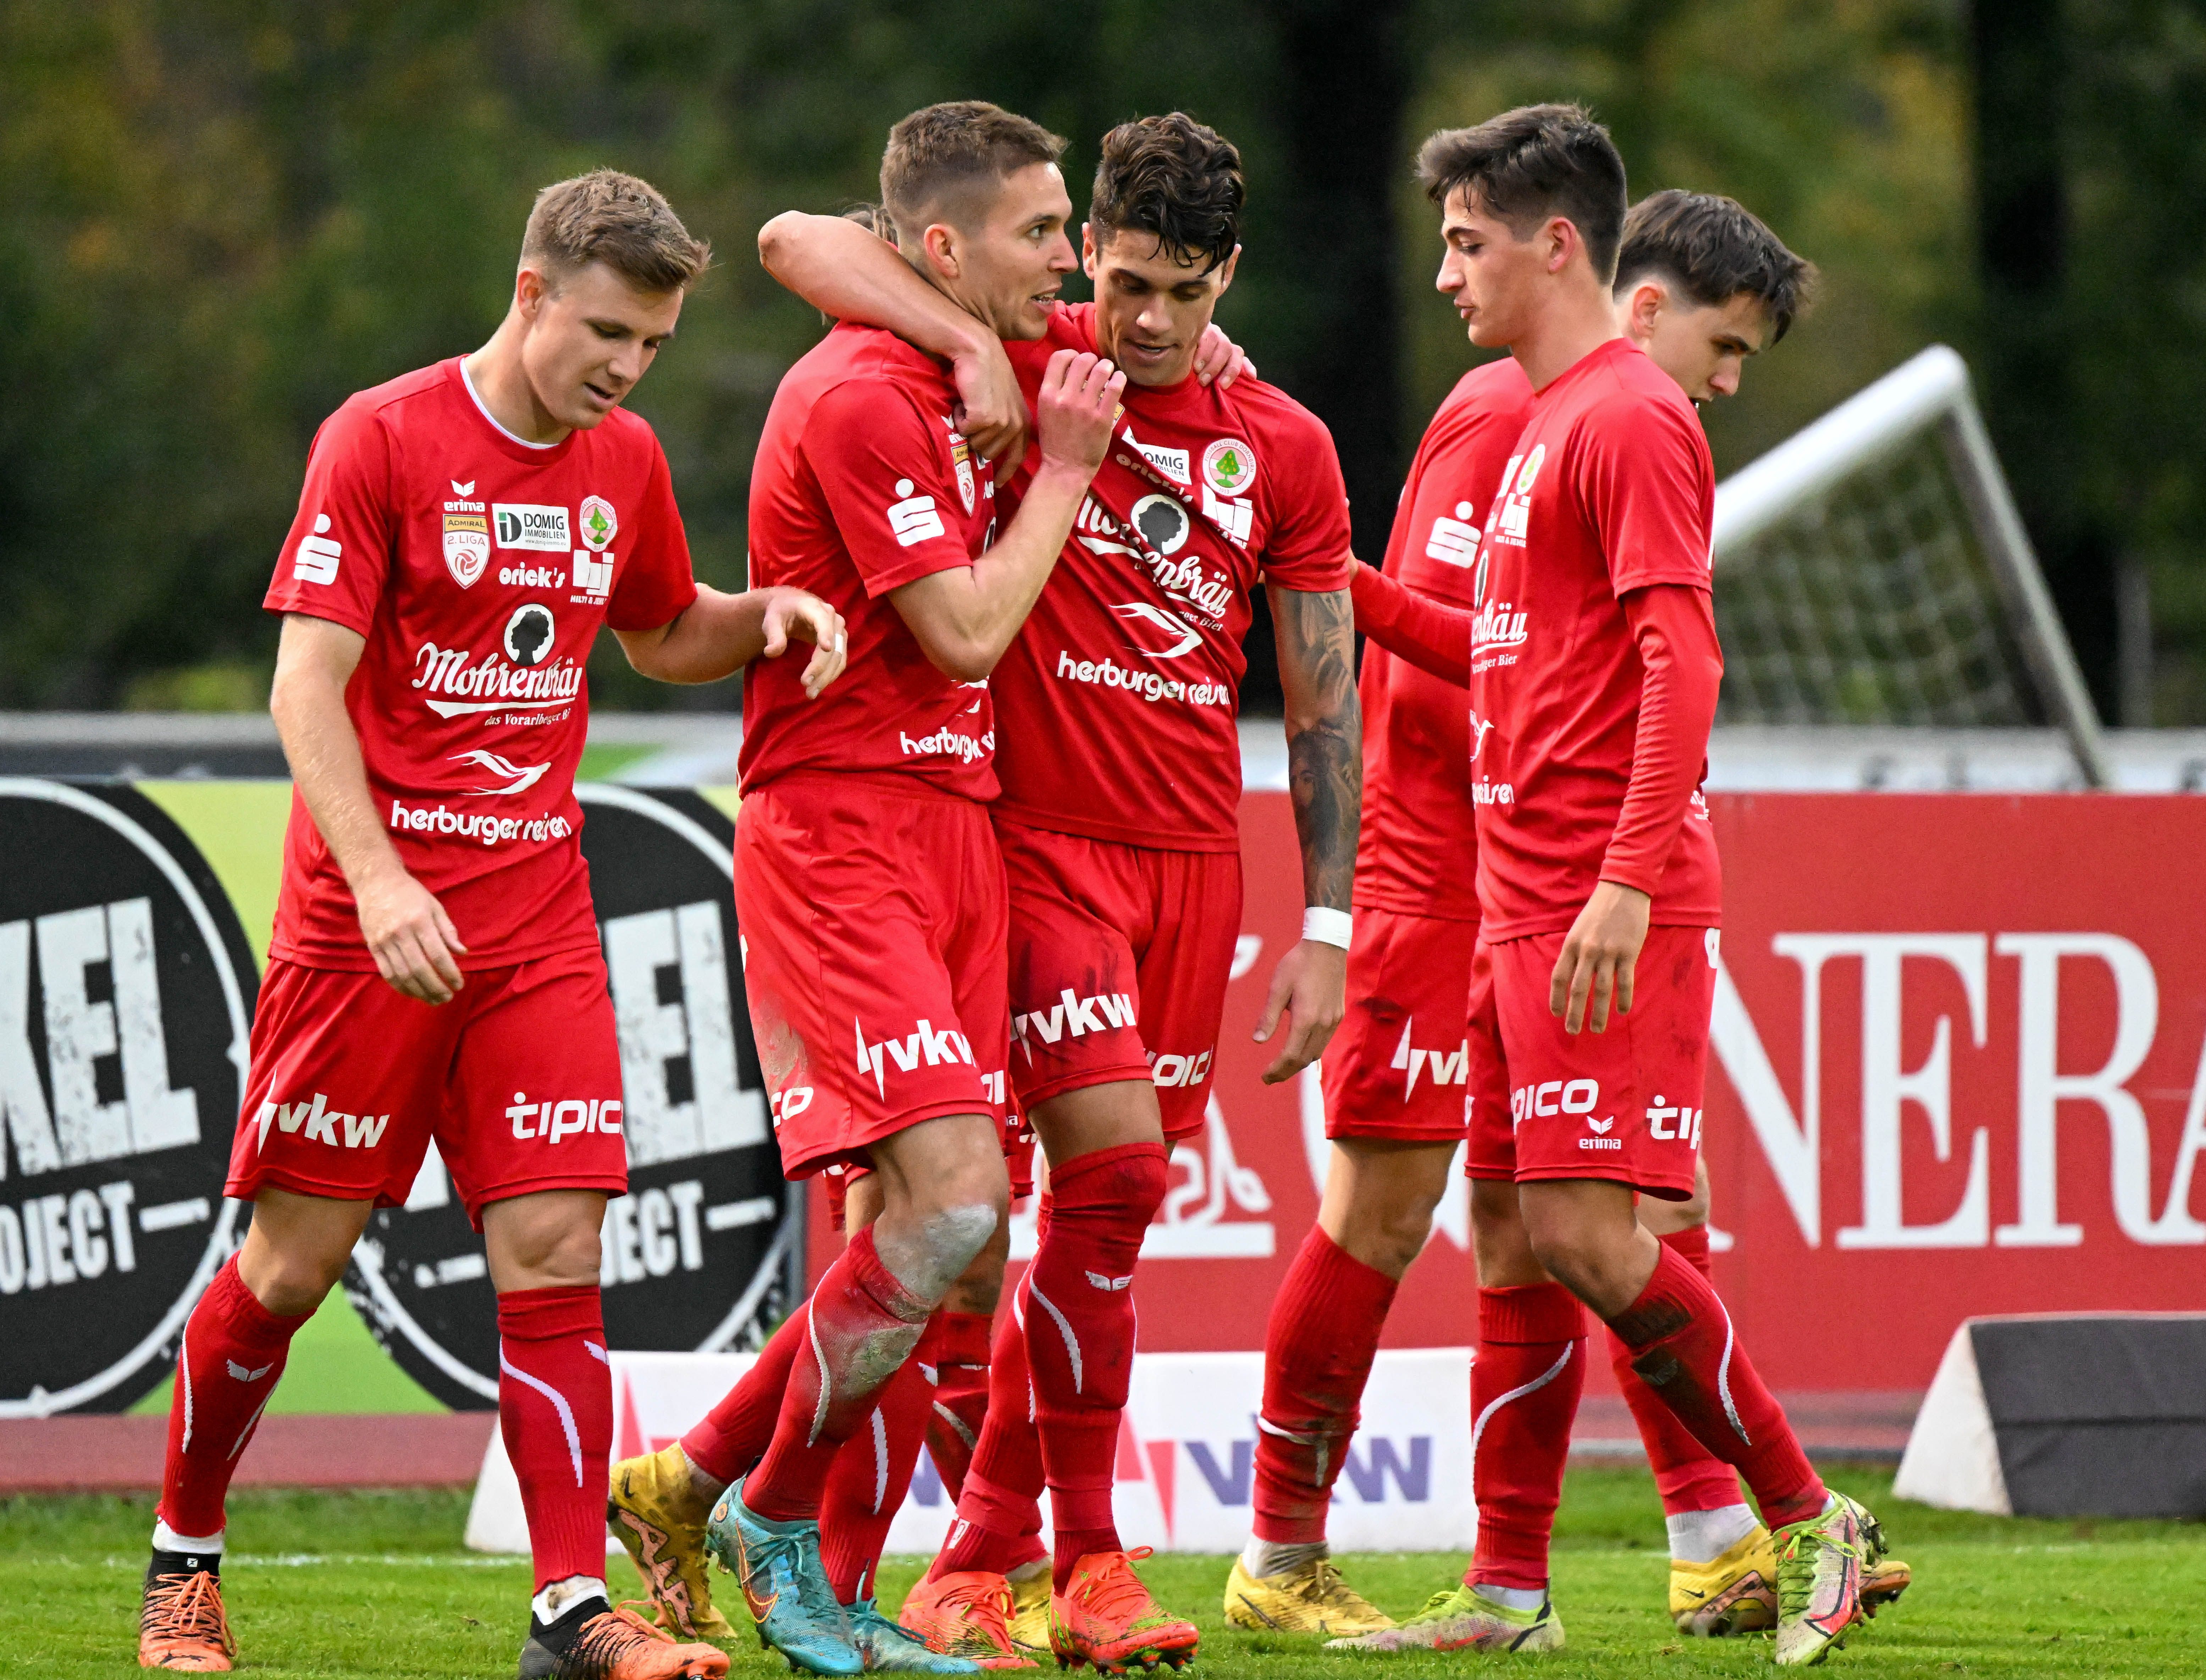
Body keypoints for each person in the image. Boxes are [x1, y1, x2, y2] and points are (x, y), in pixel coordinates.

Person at [136, 170, 848, 1680]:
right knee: (287, 1266)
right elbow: (302, 687)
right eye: (603, 332)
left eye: (649, 345)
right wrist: (383, 879)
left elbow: (659, 630)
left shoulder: (626, 458)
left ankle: (567, 1609)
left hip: (535, 914)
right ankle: (183, 1565)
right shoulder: (379, 436)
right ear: (530, 292)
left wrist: (765, 612)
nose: (622, 367)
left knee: (555, 1242)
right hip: (366, 927)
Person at [1230, 183, 1908, 1645]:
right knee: (1510, 1224)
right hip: (1485, 886)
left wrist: (1617, 873)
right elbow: (1472, 638)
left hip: (1564, 888)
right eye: (1729, 350)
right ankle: (1500, 1575)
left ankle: (1775, 1519)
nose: (1439, 274)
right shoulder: (1532, 415)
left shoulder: (1615, 417)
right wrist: (1291, 550)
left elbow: (1678, 662)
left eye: (1465, 245)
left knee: (1599, 1225)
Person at [743, 110, 1363, 1671]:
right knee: (1049, 1187)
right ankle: (1040, 1552)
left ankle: (980, 1554)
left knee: (1087, 1220)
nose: (1146, 322)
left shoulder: (1280, 442)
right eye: (1123, 279)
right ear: (1087, 247)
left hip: (1191, 866)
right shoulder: (1039, 351)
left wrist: (1330, 925)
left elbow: (1323, 697)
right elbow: (796, 240)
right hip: (1027, 847)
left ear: (1230, 275)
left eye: (1182, 292)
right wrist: (968, 341)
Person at [602, 101, 1125, 1678]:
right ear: (952, 250)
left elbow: (821, 240)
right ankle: (770, 1522)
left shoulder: (977, 338)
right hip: (843, 828)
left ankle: (688, 1481)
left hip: (954, 824)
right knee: (953, 1197)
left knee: (956, 1237)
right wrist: (1066, 476)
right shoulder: (852, 394)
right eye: (1045, 235)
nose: (1074, 265)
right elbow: (963, 631)